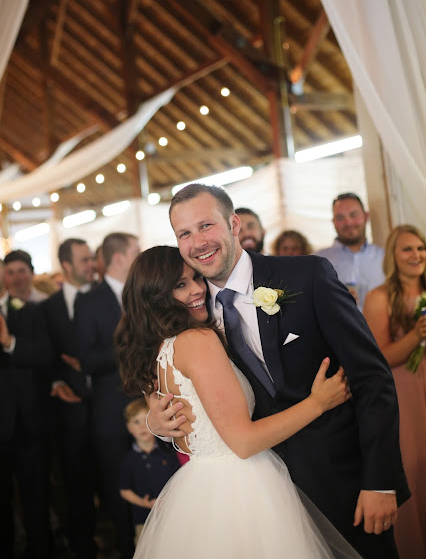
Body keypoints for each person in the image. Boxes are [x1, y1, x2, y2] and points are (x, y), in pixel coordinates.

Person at [147, 184, 409, 559]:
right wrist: (156, 420)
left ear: (233, 223)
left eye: (206, 226)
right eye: (184, 233)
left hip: (343, 484)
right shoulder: (191, 308)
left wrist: (381, 482)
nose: (198, 242)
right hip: (261, 501)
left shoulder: (308, 276)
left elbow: (372, 377)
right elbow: (175, 379)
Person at [115, 245, 359, 558]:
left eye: (195, 278)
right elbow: (243, 442)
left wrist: (154, 424)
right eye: (180, 285)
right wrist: (318, 403)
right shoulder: (197, 342)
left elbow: (173, 423)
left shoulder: (157, 349)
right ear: (155, 297)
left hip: (200, 490)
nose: (197, 290)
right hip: (241, 486)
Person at [75, 232, 140, 559]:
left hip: (151, 405)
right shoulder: (89, 300)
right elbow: (87, 359)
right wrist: (132, 341)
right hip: (112, 411)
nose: (139, 256)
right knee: (119, 492)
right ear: (119, 258)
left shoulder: (142, 291)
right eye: (135, 252)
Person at [363, 224, 426, 559]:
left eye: (421, 248)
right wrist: (416, 336)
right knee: (415, 468)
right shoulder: (379, 298)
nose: (416, 255)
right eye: (407, 249)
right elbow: (379, 360)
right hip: (406, 392)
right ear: (393, 255)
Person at [43, 238, 97, 559]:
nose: (91, 265)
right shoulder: (47, 309)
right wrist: (55, 381)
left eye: (93, 259)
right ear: (67, 265)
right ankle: (84, 548)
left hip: (108, 406)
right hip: (70, 411)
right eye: (84, 260)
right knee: (76, 486)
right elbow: (48, 356)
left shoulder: (107, 298)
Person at [0, 262, 53, 558]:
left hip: (29, 422)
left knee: (36, 501)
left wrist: (9, 343)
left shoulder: (30, 310)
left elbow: (45, 354)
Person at [119, 398, 180, 547]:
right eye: (136, 422)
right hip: (144, 520)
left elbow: (178, 480)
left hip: (171, 515)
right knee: (147, 548)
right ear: (129, 428)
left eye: (146, 420)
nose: (142, 427)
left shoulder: (168, 454)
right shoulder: (129, 460)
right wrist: (143, 503)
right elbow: (124, 490)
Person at [315, 193, 384, 311]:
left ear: (366, 216)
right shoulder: (318, 260)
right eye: (340, 217)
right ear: (333, 222)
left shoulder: (384, 257)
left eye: (353, 215)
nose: (348, 222)